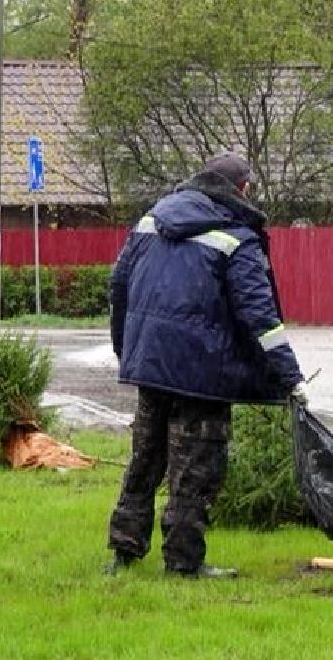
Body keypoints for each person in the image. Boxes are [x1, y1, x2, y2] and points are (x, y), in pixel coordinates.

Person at [105, 152, 306, 578]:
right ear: (243, 188)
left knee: (145, 458)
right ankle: (183, 562)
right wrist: (290, 376)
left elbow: (118, 286)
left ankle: (123, 551)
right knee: (196, 469)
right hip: (203, 374)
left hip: (151, 364)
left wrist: (128, 350)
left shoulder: (151, 221)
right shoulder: (236, 236)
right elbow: (260, 316)